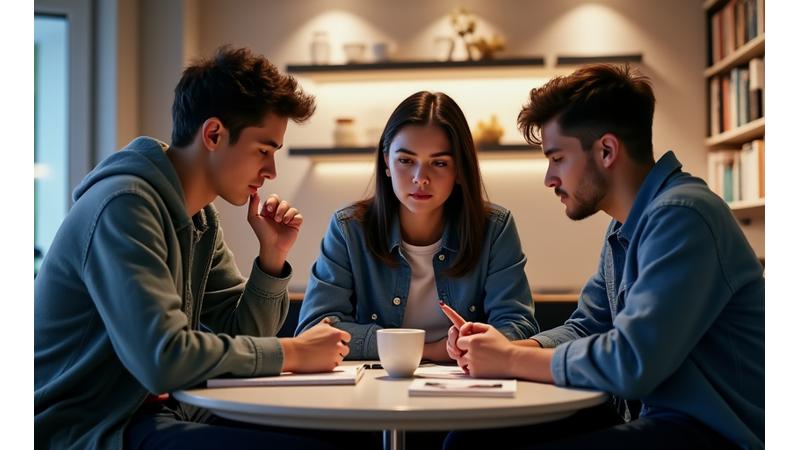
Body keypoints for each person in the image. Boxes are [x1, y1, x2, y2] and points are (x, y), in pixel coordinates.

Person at [34, 46, 351, 450]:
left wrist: (271, 259)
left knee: (341, 437)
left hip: (151, 414)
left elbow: (240, 332)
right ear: (214, 134)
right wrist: (292, 352)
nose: (271, 171)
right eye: (264, 150)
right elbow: (163, 359)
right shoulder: (124, 205)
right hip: (85, 428)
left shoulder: (200, 218)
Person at [444, 64, 764, 450]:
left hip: (716, 432)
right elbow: (587, 326)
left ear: (607, 150)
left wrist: (510, 360)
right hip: (657, 418)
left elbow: (631, 362)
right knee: (468, 442)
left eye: (557, 158)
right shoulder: (625, 226)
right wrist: (497, 348)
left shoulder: (684, 215)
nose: (549, 178)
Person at [296, 90, 539, 363]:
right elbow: (315, 330)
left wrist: (476, 341)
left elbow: (518, 326)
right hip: (374, 386)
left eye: (439, 163)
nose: (420, 178)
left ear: (459, 169)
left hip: (465, 382)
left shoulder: (494, 228)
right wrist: (430, 349)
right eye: (406, 161)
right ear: (386, 162)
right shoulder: (349, 229)